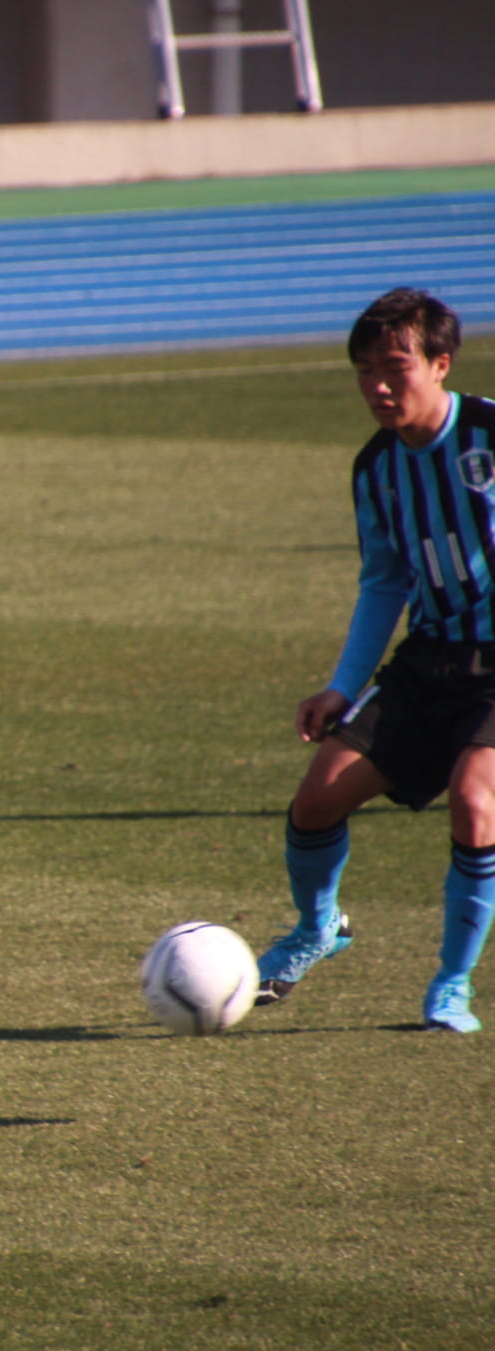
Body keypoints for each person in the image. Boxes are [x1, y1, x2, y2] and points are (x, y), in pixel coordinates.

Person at [256, 287, 495, 1034]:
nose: (379, 386)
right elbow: (385, 579)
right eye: (364, 371)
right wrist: (340, 687)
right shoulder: (376, 469)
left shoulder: (489, 434)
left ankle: (451, 986)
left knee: (475, 802)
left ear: (441, 363)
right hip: (430, 663)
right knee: (316, 800)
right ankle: (317, 929)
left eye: (395, 366)